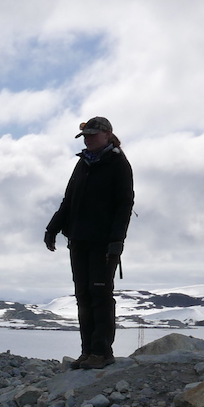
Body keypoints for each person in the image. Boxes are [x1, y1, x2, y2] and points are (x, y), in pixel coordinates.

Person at [44, 116, 133, 369]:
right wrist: (53, 228)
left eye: (94, 134)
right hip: (79, 240)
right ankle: (87, 352)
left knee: (100, 295)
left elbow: (124, 205)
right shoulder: (83, 163)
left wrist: (116, 241)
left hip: (103, 243)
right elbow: (68, 200)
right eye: (86, 135)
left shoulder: (118, 164)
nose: (89, 138)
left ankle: (102, 352)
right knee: (83, 296)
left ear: (107, 135)